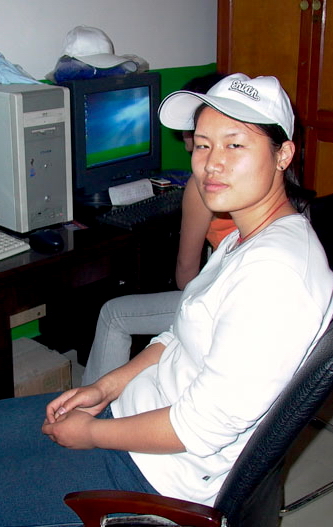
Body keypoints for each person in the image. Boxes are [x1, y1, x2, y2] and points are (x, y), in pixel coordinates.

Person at [0, 73, 333, 527]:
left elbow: (200, 427)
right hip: (139, 409)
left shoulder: (275, 274)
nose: (212, 164)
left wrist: (93, 433)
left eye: (235, 145)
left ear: (283, 154)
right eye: (202, 144)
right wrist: (105, 387)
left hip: (159, 474)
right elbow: (177, 337)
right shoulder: (246, 236)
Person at [81, 73, 235, 385]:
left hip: (222, 306)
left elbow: (185, 277)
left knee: (113, 314)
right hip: (235, 298)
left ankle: (93, 409)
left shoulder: (202, 186)